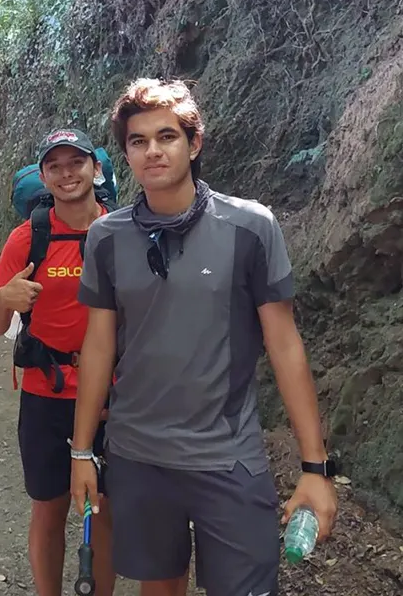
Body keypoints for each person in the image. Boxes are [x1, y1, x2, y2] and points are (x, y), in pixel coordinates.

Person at [71, 78, 338, 596]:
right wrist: (82, 453)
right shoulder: (106, 238)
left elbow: (284, 346)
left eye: (166, 137)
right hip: (138, 455)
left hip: (228, 456)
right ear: (124, 154)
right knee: (159, 586)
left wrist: (314, 467)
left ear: (193, 144)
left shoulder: (250, 227)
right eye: (138, 141)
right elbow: (99, 347)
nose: (153, 151)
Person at [0, 128, 116, 596]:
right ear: (43, 176)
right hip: (47, 391)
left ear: (96, 168)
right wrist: (4, 297)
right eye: (54, 166)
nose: (66, 173)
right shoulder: (27, 238)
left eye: (75, 162)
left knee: (104, 508)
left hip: (112, 393)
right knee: (49, 506)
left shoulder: (122, 232)